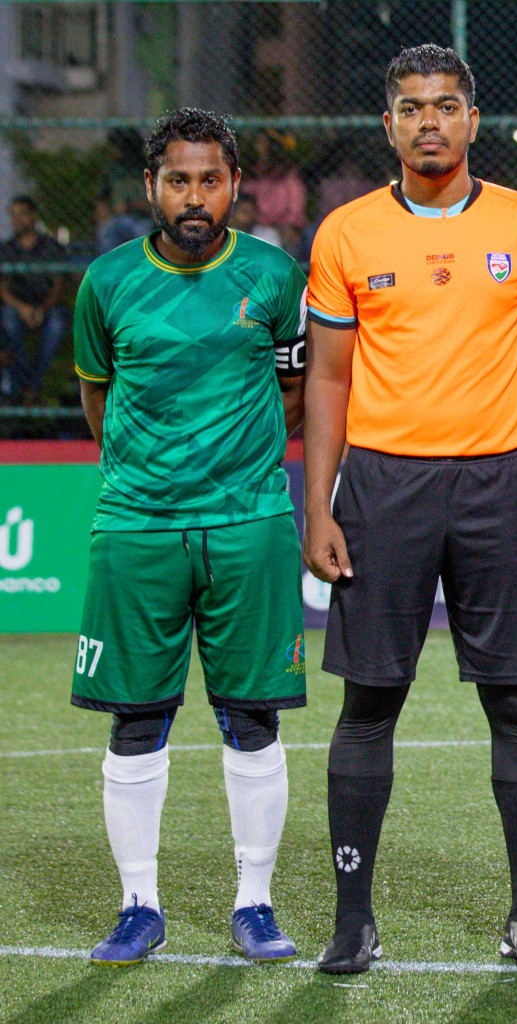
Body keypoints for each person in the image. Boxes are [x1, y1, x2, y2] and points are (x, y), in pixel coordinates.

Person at [303, 44, 517, 974]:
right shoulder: (346, 232)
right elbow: (329, 380)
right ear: (387, 125)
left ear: (472, 118)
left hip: (501, 485)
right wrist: (318, 501)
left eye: (446, 106)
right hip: (384, 485)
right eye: (411, 108)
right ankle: (353, 920)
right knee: (369, 702)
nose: (429, 122)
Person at [69, 108, 309, 966]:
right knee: (137, 720)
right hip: (137, 528)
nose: (195, 196)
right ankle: (140, 905)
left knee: (252, 718)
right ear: (151, 188)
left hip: (250, 524)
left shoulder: (276, 276)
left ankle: (256, 902)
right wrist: (151, 471)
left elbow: (295, 388)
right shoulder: (104, 282)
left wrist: (233, 462)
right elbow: (99, 401)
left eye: (211, 179)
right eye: (179, 180)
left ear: (235, 186)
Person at [0, 196, 70, 398]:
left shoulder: (50, 246)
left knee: (57, 323)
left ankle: (33, 384)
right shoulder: (8, 249)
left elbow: (59, 285)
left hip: (48, 305)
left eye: (21, 214)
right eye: (13, 215)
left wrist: (42, 309)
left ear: (32, 216)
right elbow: (3, 289)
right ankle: (22, 384)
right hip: (19, 306)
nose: (16, 220)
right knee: (8, 319)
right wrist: (23, 308)